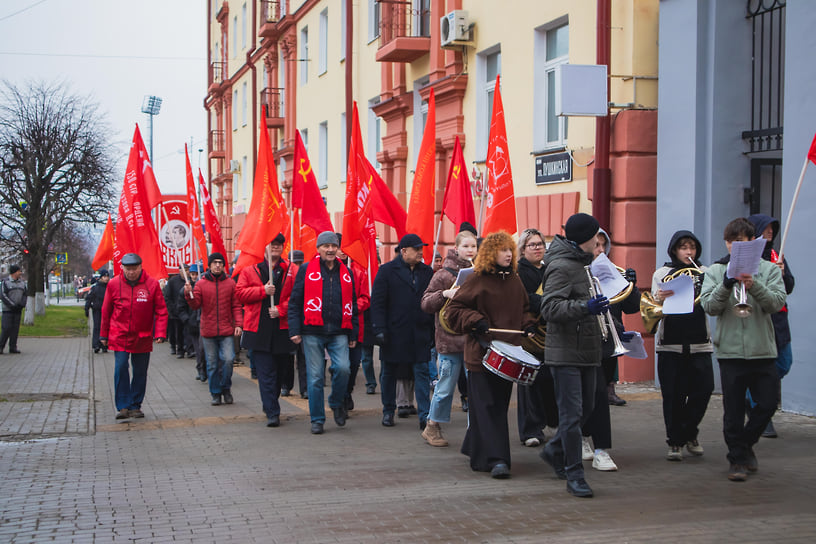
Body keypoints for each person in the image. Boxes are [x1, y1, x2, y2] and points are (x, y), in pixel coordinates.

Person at [444, 231, 535, 479]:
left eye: (510, 250)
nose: (508, 254)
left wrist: (528, 324)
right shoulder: (477, 279)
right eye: (503, 250)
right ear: (491, 253)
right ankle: (498, 460)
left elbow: (524, 308)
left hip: (509, 355)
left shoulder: (514, 280)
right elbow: (454, 311)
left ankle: (473, 446)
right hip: (481, 355)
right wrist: (477, 321)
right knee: (487, 407)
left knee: (496, 406)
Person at [701, 217, 786, 482]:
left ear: (753, 242)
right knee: (734, 412)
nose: (738, 245)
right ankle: (737, 460)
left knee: (768, 403)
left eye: (744, 240)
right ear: (727, 244)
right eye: (733, 241)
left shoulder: (769, 269)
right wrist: (727, 283)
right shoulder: (715, 270)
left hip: (763, 350)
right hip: (730, 352)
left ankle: (744, 445)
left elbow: (776, 303)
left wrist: (755, 285)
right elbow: (709, 307)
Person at [538, 213, 607, 498]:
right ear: (585, 239)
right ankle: (574, 474)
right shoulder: (562, 266)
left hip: (588, 350)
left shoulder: (586, 264)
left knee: (585, 410)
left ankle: (554, 450)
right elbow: (550, 308)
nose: (599, 243)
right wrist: (585, 307)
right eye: (596, 238)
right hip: (565, 351)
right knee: (571, 415)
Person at [650, 230, 714, 462]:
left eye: (692, 248)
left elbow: (710, 300)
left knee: (704, 390)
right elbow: (655, 303)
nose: (689, 252)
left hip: (699, 341)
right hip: (670, 342)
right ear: (675, 249)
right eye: (684, 247)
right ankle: (675, 441)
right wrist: (660, 297)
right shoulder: (662, 273)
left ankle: (689, 432)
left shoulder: (705, 272)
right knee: (673, 395)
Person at [580, 229, 639, 472]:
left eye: (604, 245)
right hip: (584, 341)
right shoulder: (579, 272)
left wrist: (632, 285)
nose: (600, 250)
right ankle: (582, 437)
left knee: (601, 395)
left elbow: (632, 307)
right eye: (596, 245)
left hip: (608, 341)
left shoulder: (614, 271)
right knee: (586, 394)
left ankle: (601, 448)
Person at [288, 231, 358, 435]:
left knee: (344, 369)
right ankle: (317, 419)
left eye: (333, 246)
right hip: (312, 331)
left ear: (338, 249)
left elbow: (352, 304)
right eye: (325, 246)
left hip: (339, 331)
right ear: (318, 248)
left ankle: (336, 402)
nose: (330, 249)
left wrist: (353, 333)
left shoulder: (346, 272)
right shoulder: (305, 270)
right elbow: (295, 301)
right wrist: (295, 329)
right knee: (316, 377)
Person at [420, 229, 478, 447]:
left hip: (473, 340)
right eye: (466, 246)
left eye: (473, 246)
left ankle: (476, 431)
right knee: (445, 388)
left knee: (476, 389)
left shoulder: (479, 272)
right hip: (450, 342)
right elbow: (425, 303)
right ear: (456, 249)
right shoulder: (443, 275)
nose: (470, 250)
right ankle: (432, 426)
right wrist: (444, 294)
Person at [371, 233, 435, 430]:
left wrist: (432, 330)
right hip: (393, 332)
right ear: (404, 251)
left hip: (419, 332)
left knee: (422, 373)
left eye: (421, 249)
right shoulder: (387, 271)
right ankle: (388, 411)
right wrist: (379, 329)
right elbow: (378, 303)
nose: (420, 253)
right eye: (416, 250)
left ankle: (425, 415)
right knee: (389, 373)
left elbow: (431, 300)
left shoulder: (427, 272)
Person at [236, 234, 298, 428]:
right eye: (272, 244)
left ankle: (272, 400)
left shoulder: (291, 270)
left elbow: (298, 297)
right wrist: (262, 290)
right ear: (265, 247)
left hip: (282, 328)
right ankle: (272, 410)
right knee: (266, 373)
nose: (276, 248)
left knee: (281, 372)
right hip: (259, 329)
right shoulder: (250, 270)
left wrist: (281, 309)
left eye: (279, 245)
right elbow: (239, 293)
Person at [100, 253, 168, 419]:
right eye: (127, 269)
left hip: (142, 335)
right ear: (122, 268)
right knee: (121, 367)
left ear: (140, 267)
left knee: (140, 371)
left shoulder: (151, 285)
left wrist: (159, 332)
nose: (131, 272)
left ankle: (135, 405)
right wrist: (103, 334)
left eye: (134, 269)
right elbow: (106, 311)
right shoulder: (114, 284)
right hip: (119, 334)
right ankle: (122, 406)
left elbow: (161, 311)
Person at [747, 214, 795, 438]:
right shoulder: (750, 258)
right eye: (765, 228)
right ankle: (759, 408)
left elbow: (789, 287)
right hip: (760, 319)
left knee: (784, 363)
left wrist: (783, 274)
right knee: (762, 368)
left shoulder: (778, 255)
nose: (770, 232)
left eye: (772, 229)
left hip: (779, 320)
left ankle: (754, 396)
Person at [515, 228, 559, 447]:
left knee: (551, 381)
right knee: (529, 384)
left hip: (551, 335)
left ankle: (553, 421)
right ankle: (531, 430)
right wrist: (549, 303)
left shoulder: (549, 269)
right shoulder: (519, 272)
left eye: (541, 244)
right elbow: (524, 300)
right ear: (523, 249)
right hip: (530, 336)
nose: (538, 248)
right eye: (532, 245)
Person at [185, 253, 243, 406]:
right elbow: (195, 304)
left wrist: (238, 324)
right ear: (209, 266)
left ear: (224, 266)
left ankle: (226, 388)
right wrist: (188, 294)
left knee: (229, 360)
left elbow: (236, 305)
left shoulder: (230, 283)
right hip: (208, 331)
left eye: (220, 263)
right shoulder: (201, 284)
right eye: (214, 263)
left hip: (226, 330)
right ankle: (215, 393)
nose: (217, 265)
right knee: (211, 363)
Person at [178, 264, 205, 380]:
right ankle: (201, 370)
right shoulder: (186, 289)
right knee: (199, 349)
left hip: (205, 323)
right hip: (193, 324)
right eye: (193, 274)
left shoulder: (204, 286)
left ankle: (208, 369)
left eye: (196, 274)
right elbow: (181, 307)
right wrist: (187, 320)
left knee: (205, 349)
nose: (194, 276)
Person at [1, 264, 28, 354]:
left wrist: (21, 304)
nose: (20, 273)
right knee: (6, 328)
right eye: (19, 271)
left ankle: (13, 347)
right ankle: (1, 346)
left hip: (18, 310)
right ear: (14, 272)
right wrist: (12, 305)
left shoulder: (22, 283)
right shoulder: (5, 282)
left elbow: (25, 294)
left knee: (15, 329)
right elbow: (3, 295)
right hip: (8, 310)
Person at [84, 269, 110, 353]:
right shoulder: (95, 287)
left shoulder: (110, 287)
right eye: (104, 276)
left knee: (106, 327)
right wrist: (87, 309)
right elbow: (89, 298)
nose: (106, 278)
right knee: (97, 327)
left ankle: (105, 344)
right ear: (101, 277)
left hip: (107, 311)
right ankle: (96, 345)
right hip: (97, 310)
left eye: (107, 276)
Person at [164, 271, 185, 356]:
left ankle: (183, 349)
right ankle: (173, 346)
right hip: (174, 311)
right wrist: (171, 308)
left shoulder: (188, 281)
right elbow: (167, 296)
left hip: (184, 311)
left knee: (183, 331)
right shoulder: (173, 281)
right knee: (175, 331)